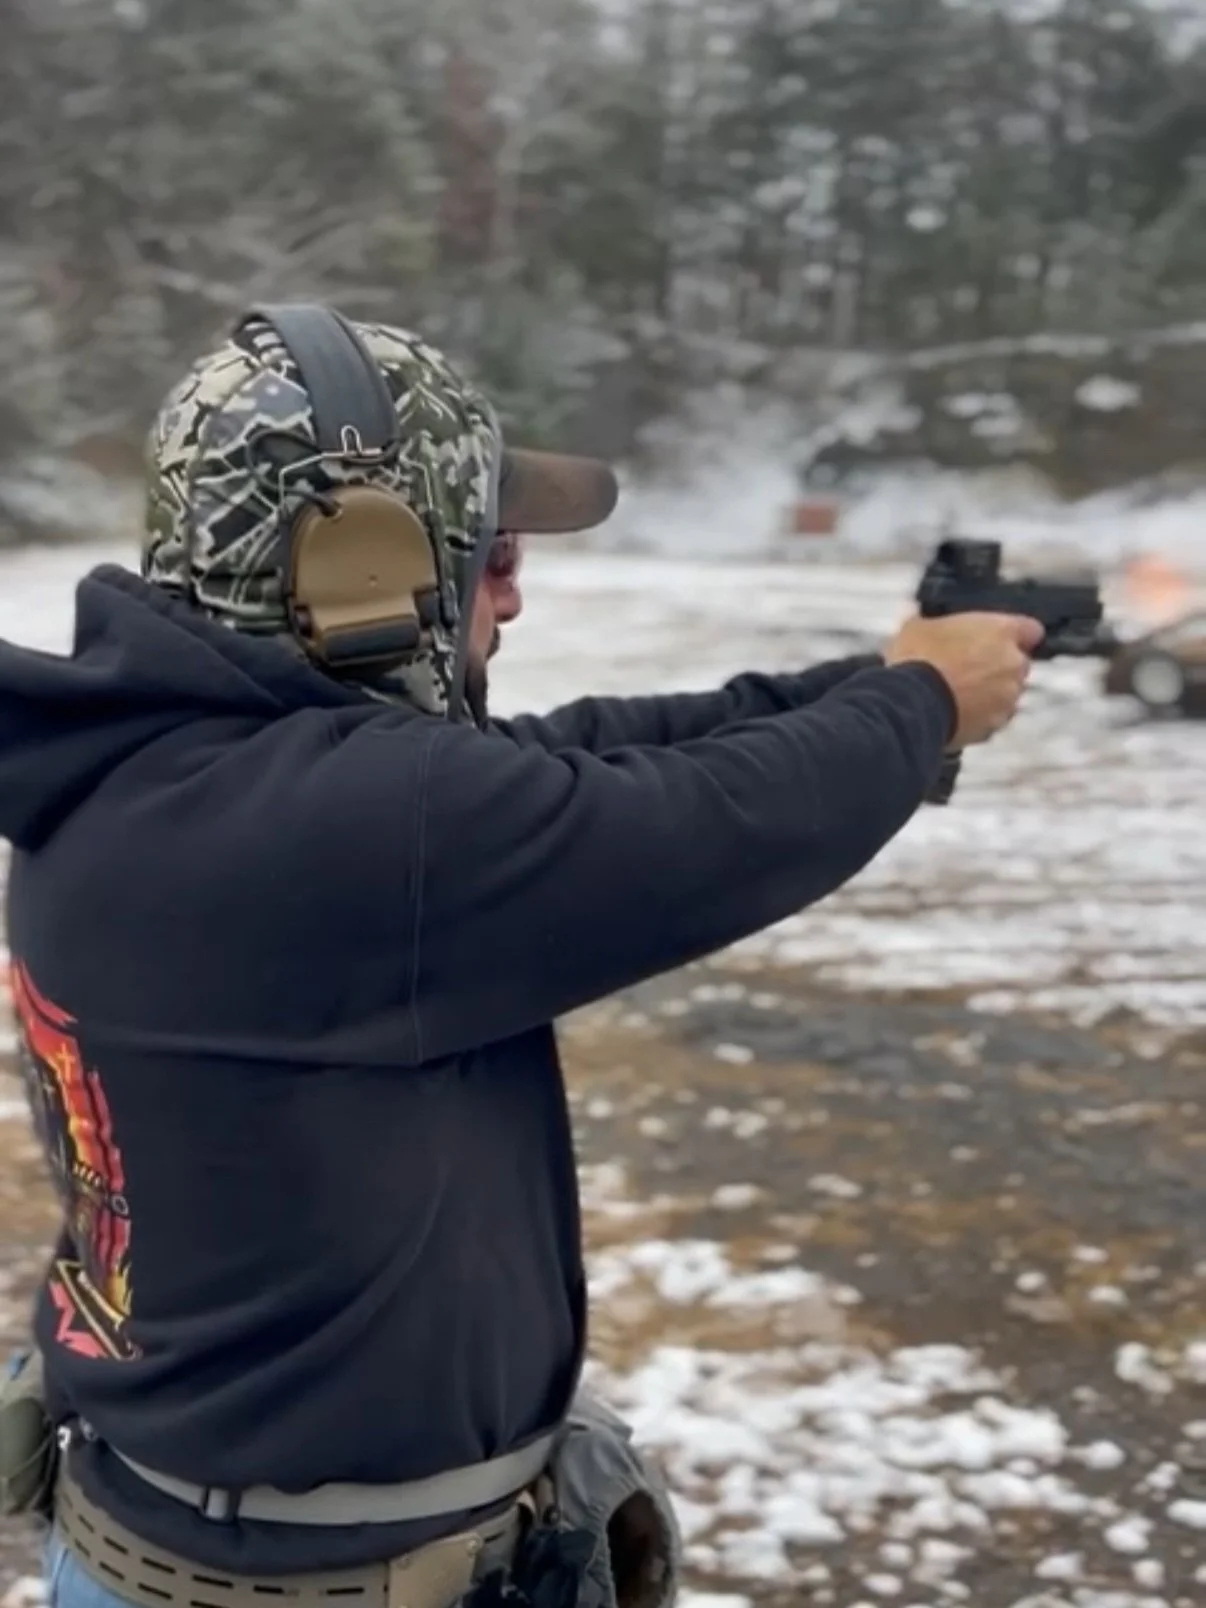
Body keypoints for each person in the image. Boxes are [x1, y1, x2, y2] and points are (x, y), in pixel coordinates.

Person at [0, 305, 1042, 1608]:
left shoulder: (155, 776)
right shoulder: (346, 830)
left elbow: (586, 751)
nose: (513, 592)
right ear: (354, 569)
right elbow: (709, 824)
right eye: (484, 554)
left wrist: (871, 680)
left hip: (193, 1530)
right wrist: (923, 703)